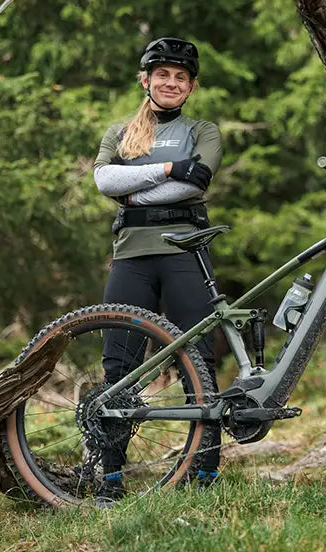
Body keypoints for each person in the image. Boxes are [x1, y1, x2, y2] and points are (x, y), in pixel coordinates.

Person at [91, 37, 222, 502]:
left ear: (191, 87)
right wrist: (169, 167)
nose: (171, 83)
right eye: (162, 74)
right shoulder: (120, 132)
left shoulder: (203, 131)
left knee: (198, 359)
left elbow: (196, 183)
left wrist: (132, 193)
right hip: (131, 255)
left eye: (180, 77)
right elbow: (104, 179)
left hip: (185, 250)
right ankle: (110, 478)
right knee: (119, 366)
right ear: (145, 80)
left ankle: (204, 470)